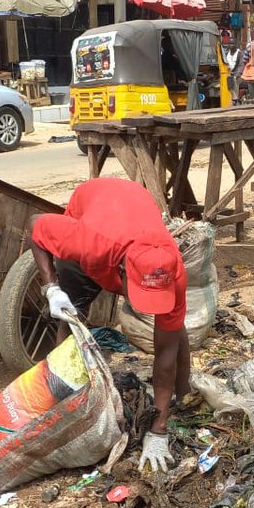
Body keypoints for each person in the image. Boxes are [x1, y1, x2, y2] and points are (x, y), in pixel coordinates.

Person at [29, 178, 190, 473]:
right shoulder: (89, 242)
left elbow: (166, 353)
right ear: (122, 272)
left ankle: (183, 393)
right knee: (71, 315)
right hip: (94, 207)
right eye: (142, 294)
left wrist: (159, 428)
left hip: (133, 208)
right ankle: (58, 398)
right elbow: (35, 224)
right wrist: (51, 288)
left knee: (174, 330)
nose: (148, 308)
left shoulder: (174, 271)